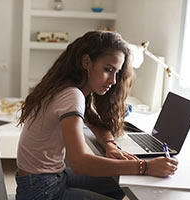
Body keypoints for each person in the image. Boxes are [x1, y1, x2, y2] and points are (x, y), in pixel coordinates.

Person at [16, 30, 178, 200]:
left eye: (117, 72)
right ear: (86, 62)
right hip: (41, 190)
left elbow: (95, 123)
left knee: (118, 181)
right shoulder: (72, 95)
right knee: (126, 175)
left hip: (42, 180)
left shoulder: (67, 88)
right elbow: (79, 162)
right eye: (108, 70)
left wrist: (110, 144)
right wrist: (144, 167)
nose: (113, 80)